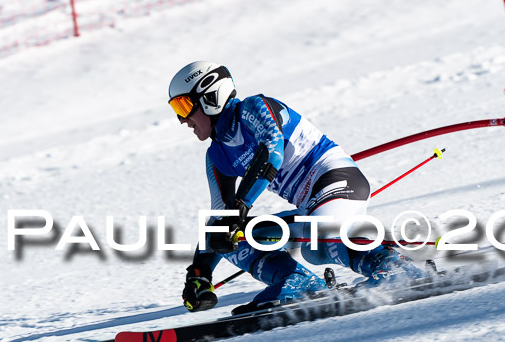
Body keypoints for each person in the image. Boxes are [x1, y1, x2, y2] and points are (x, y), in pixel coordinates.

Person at [168, 61, 423, 315]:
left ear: (210, 97)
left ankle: (393, 266)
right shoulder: (217, 156)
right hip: (311, 206)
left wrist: (241, 205)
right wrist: (199, 274)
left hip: (338, 180)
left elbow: (272, 152)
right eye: (177, 109)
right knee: (228, 237)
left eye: (184, 106)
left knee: (317, 244)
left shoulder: (253, 108)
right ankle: (299, 282)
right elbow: (221, 219)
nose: (182, 119)